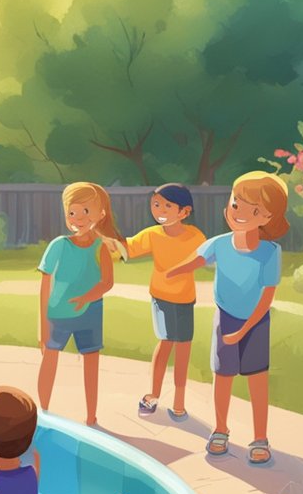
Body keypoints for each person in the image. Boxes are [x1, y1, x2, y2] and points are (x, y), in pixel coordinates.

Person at [167, 171, 288, 465]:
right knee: (222, 376)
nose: (241, 214)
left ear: (268, 217)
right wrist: (172, 272)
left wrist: (245, 329)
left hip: (256, 322)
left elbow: (267, 297)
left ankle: (260, 438)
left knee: (257, 380)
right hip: (226, 318)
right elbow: (196, 260)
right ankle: (220, 430)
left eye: (253, 210)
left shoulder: (270, 252)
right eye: (237, 205)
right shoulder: (219, 244)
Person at [108, 184, 205, 421]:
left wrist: (182, 269)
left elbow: (204, 257)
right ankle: (153, 394)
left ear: (184, 212)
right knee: (165, 343)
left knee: (183, 348)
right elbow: (126, 249)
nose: (159, 209)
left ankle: (179, 401)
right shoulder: (152, 234)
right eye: (156, 204)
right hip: (161, 298)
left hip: (185, 299)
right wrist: (106, 242)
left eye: (167, 205)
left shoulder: (195, 236)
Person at [37, 182, 124, 427]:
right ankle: (43, 411)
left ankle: (91, 417)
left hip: (90, 313)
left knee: (91, 362)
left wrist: (87, 297)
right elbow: (45, 286)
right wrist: (42, 326)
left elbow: (107, 282)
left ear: (101, 215)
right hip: (58, 313)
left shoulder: (101, 248)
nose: (78, 219)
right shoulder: (58, 245)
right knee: (50, 358)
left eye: (85, 212)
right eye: (72, 213)